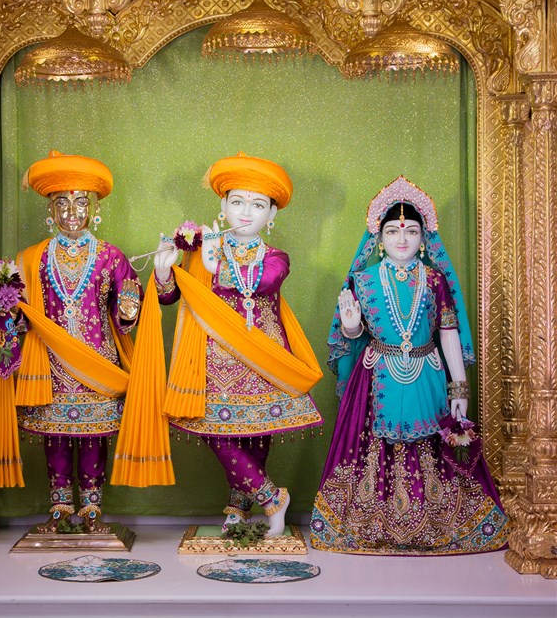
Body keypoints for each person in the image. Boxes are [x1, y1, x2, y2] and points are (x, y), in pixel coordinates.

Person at [311, 176, 508, 554]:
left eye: (411, 231)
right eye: (393, 231)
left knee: (432, 443)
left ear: (424, 237)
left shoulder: (435, 281)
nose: (402, 239)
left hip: (427, 374)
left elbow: (449, 334)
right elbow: (353, 335)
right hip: (376, 376)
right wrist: (350, 326)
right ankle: (370, 523)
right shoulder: (362, 280)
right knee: (371, 448)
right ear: (379, 238)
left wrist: (459, 387)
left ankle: (434, 525)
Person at [0, 151, 143, 532]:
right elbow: (21, 313)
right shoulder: (34, 258)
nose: (71, 213)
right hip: (49, 366)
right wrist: (9, 310)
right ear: (50, 210)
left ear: (94, 208)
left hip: (97, 365)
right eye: (62, 204)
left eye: (80, 203)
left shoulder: (111, 257)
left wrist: (129, 309)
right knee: (57, 436)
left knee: (94, 436)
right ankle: (61, 505)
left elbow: (127, 315)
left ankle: (92, 506)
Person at [154, 152, 322, 537]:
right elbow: (171, 297)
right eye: (237, 202)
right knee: (219, 433)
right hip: (212, 362)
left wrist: (217, 266)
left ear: (272, 215)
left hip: (263, 357)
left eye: (258, 205)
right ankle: (271, 497)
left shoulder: (275, 257)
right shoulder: (202, 251)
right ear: (223, 206)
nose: (246, 212)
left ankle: (239, 505)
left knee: (255, 432)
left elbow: (264, 282)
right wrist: (164, 272)